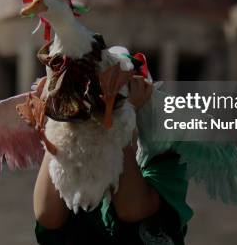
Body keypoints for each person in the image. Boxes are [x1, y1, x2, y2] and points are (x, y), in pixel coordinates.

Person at [33, 76, 193, 245]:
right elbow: (47, 214)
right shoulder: (80, 155)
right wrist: (61, 115)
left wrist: (121, 116)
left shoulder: (165, 155)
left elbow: (132, 208)